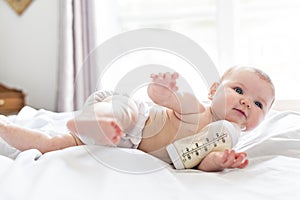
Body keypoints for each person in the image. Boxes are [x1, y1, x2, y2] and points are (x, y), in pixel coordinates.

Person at [0, 66, 275, 172]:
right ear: (214, 91)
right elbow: (160, 98)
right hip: (136, 119)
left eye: (259, 103)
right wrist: (164, 88)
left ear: (263, 118)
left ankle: (4, 127)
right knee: (126, 111)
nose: (246, 102)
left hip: (121, 142)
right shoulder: (199, 109)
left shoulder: (224, 139)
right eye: (238, 90)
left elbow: (203, 163)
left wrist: (222, 161)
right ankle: (96, 120)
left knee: (52, 145)